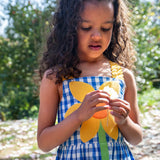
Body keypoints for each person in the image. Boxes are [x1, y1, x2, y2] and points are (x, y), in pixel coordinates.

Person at [37, 0, 143, 159]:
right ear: (69, 28)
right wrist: (78, 116)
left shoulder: (123, 75)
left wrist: (124, 122)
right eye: (86, 27)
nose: (97, 36)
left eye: (105, 28)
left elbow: (137, 138)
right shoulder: (56, 77)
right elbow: (44, 143)